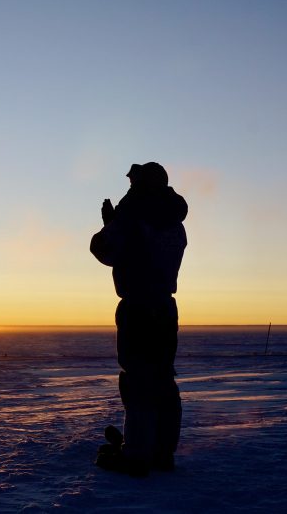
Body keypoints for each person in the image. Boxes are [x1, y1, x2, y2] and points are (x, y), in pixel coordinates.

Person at [90, 162, 187, 477]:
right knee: (161, 379)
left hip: (138, 308)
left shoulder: (134, 215)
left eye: (134, 183)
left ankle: (136, 456)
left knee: (138, 380)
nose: (129, 189)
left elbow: (104, 249)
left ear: (143, 186)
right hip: (164, 308)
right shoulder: (173, 221)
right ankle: (161, 451)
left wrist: (111, 224)